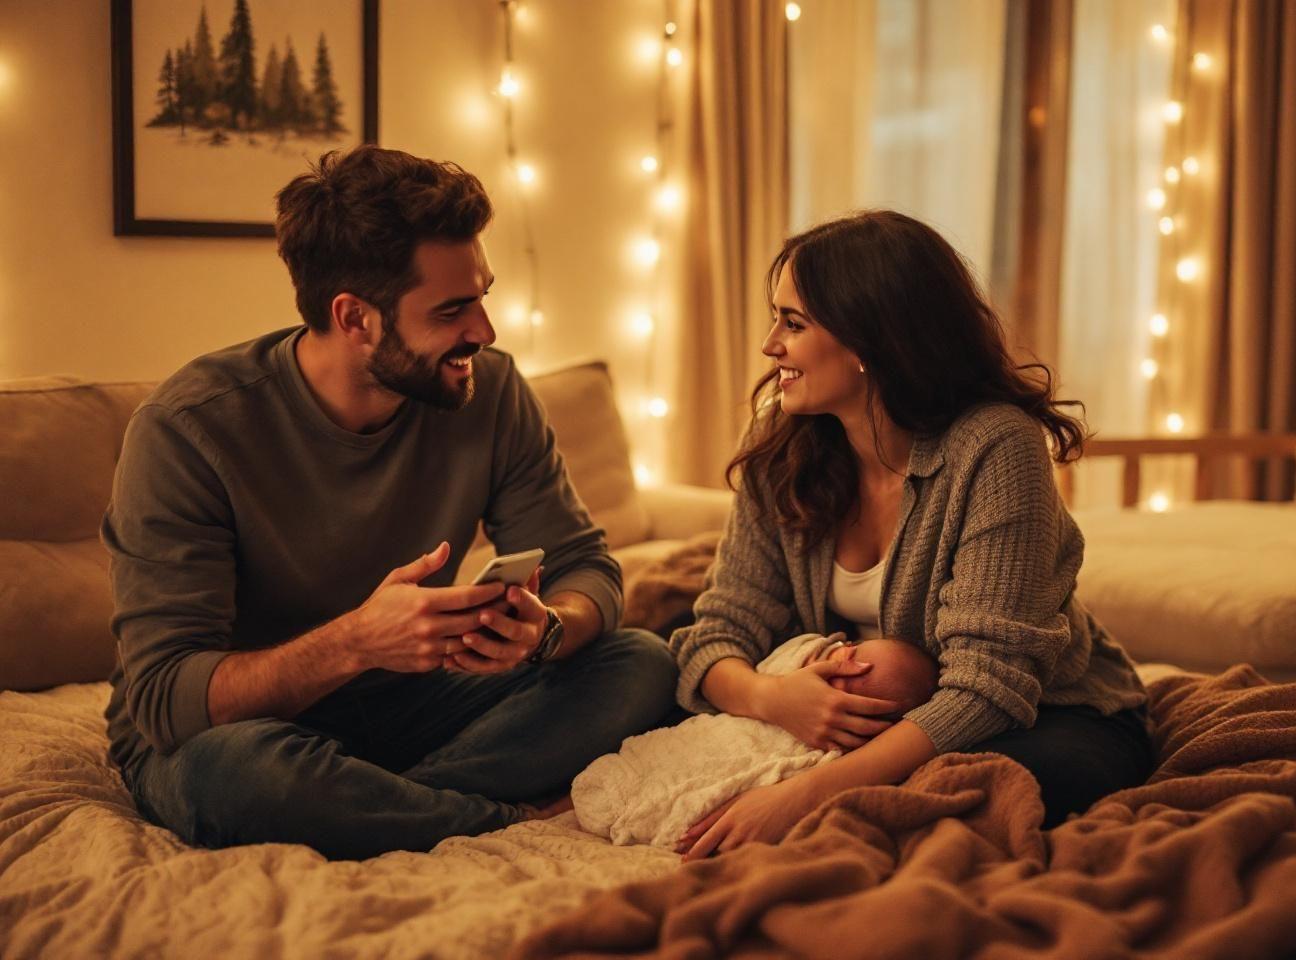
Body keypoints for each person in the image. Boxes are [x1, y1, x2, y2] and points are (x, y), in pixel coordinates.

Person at [102, 145, 678, 861]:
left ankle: (378, 802)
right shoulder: (190, 429)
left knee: (641, 663)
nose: (485, 331)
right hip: (236, 730)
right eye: (452, 309)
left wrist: (549, 629)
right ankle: (495, 817)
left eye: (483, 296)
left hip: (412, 701)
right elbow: (164, 698)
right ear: (356, 319)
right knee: (237, 778)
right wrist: (354, 642)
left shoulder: (489, 391)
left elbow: (586, 567)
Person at [669, 210, 1154, 860]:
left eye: (793, 323)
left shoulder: (995, 447)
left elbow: (989, 687)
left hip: (1041, 713)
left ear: (871, 337)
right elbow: (720, 629)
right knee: (650, 671)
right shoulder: (779, 446)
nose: (769, 345)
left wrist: (806, 794)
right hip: (855, 709)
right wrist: (772, 698)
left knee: (964, 795)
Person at [571, 635, 937, 849]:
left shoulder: (827, 755)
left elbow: (982, 678)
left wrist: (804, 791)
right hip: (727, 715)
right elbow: (711, 634)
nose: (842, 667)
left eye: (858, 692)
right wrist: (773, 693)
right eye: (852, 654)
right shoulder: (808, 654)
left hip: (763, 755)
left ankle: (632, 805)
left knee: (689, 799)